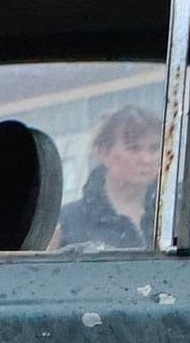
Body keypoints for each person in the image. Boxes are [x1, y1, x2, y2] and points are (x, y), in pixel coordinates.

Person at [60, 105, 164, 249]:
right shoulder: (66, 223)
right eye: (134, 148)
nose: (146, 159)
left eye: (154, 148)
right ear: (103, 153)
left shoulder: (175, 218)